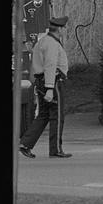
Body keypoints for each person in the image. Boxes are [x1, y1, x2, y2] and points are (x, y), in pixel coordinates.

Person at [19, 16, 72, 159]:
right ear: (60, 29)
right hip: (53, 82)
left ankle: (25, 143)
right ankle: (55, 150)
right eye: (63, 28)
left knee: (43, 115)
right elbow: (50, 65)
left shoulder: (41, 42)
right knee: (57, 116)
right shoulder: (52, 44)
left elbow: (34, 65)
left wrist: (36, 84)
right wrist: (49, 88)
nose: (64, 30)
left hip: (41, 81)